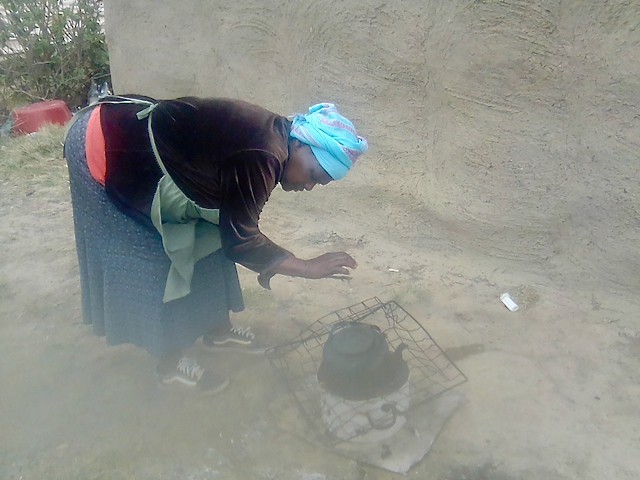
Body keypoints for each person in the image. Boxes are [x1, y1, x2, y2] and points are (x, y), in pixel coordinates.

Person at [63, 95, 368, 394]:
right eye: (313, 174)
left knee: (208, 240)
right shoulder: (263, 154)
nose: (308, 185)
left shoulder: (279, 138)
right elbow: (241, 240)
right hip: (111, 143)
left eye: (319, 183)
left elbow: (233, 231)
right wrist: (306, 267)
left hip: (156, 148)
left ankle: (216, 331)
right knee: (154, 257)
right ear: (300, 143)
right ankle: (169, 361)